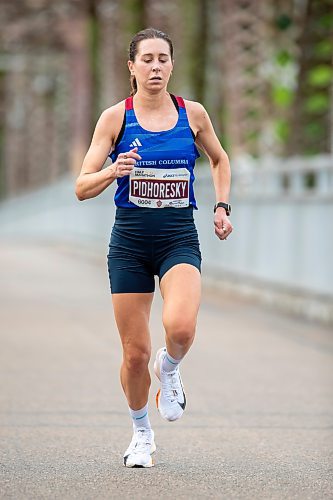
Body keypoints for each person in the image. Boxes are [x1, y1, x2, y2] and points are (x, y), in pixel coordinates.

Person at [75, 27, 233, 468]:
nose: (156, 67)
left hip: (178, 237)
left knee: (180, 328)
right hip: (129, 243)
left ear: (172, 64)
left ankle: (172, 368)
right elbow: (81, 186)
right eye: (147, 59)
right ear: (132, 67)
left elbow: (220, 159)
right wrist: (112, 171)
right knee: (134, 353)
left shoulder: (193, 114)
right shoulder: (115, 118)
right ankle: (141, 433)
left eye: (163, 59)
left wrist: (221, 206)